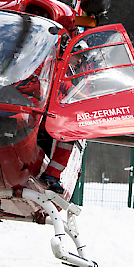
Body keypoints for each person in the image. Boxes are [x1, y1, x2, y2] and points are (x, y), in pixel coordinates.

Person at [40, 41, 89, 194]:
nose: (79, 61)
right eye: (78, 56)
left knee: (67, 136)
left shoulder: (63, 68)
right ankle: (51, 175)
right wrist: (82, 97)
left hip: (47, 114)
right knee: (68, 136)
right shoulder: (57, 65)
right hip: (42, 114)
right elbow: (63, 85)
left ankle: (51, 174)